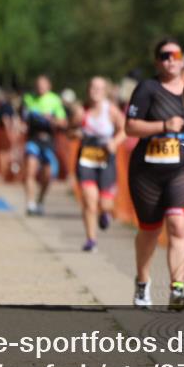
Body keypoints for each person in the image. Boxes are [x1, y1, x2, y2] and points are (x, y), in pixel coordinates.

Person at [125, 39, 184, 310]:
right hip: (147, 170)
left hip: (183, 168)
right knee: (149, 229)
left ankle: (177, 289)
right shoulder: (147, 88)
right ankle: (142, 282)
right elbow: (130, 127)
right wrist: (163, 125)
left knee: (178, 225)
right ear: (157, 61)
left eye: (175, 55)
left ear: (183, 59)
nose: (170, 60)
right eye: (164, 56)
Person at [71, 77, 125, 252]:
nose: (95, 91)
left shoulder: (111, 110)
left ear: (105, 91)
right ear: (88, 90)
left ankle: (105, 214)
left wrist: (114, 142)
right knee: (89, 200)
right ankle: (91, 240)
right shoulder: (81, 110)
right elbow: (68, 131)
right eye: (92, 87)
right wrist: (76, 133)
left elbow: (125, 129)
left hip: (106, 159)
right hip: (86, 158)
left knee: (105, 203)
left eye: (99, 88)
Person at [21, 75, 67, 216]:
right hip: (33, 139)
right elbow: (23, 116)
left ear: (49, 86)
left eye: (43, 85)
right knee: (30, 170)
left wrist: (51, 119)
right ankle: (30, 203)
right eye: (38, 85)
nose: (40, 87)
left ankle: (40, 200)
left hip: (48, 142)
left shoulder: (54, 100)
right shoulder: (28, 98)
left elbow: (63, 122)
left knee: (47, 174)